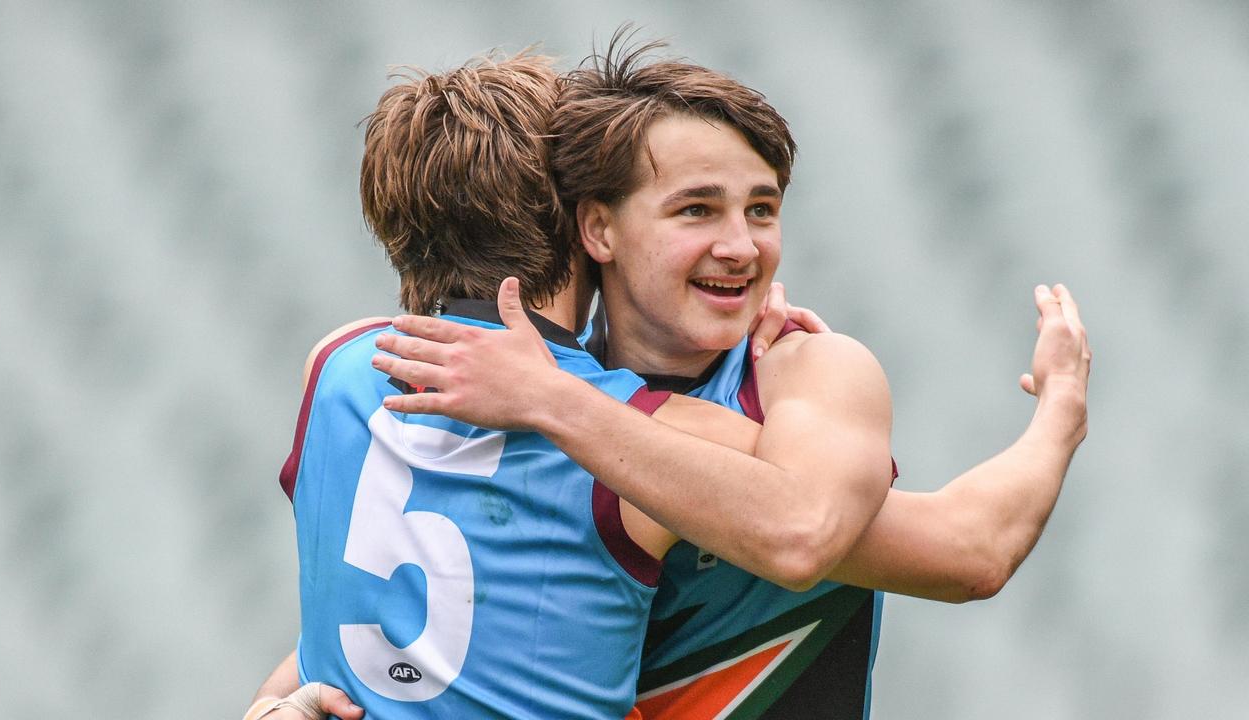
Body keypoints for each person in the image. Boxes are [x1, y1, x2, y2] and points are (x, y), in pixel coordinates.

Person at [251, 38, 1091, 720]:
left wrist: (275, 699)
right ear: (591, 226)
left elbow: (394, 588)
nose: (740, 245)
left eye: (761, 210)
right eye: (696, 208)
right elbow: (936, 545)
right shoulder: (651, 427)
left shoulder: (342, 364)